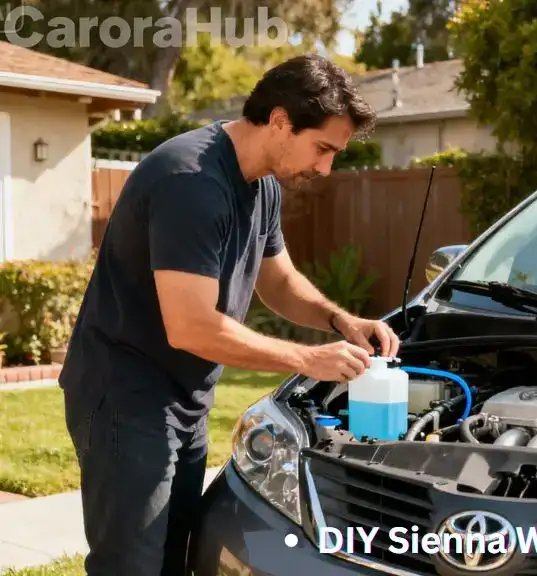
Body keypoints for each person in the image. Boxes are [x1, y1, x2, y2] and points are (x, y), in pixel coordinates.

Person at [58, 53, 399, 576]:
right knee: (131, 565)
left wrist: (340, 321)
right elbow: (191, 325)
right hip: (125, 396)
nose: (325, 167)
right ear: (281, 120)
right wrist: (309, 358)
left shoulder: (260, 184)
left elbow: (279, 282)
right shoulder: (190, 180)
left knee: (174, 558)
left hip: (183, 399)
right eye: (323, 148)